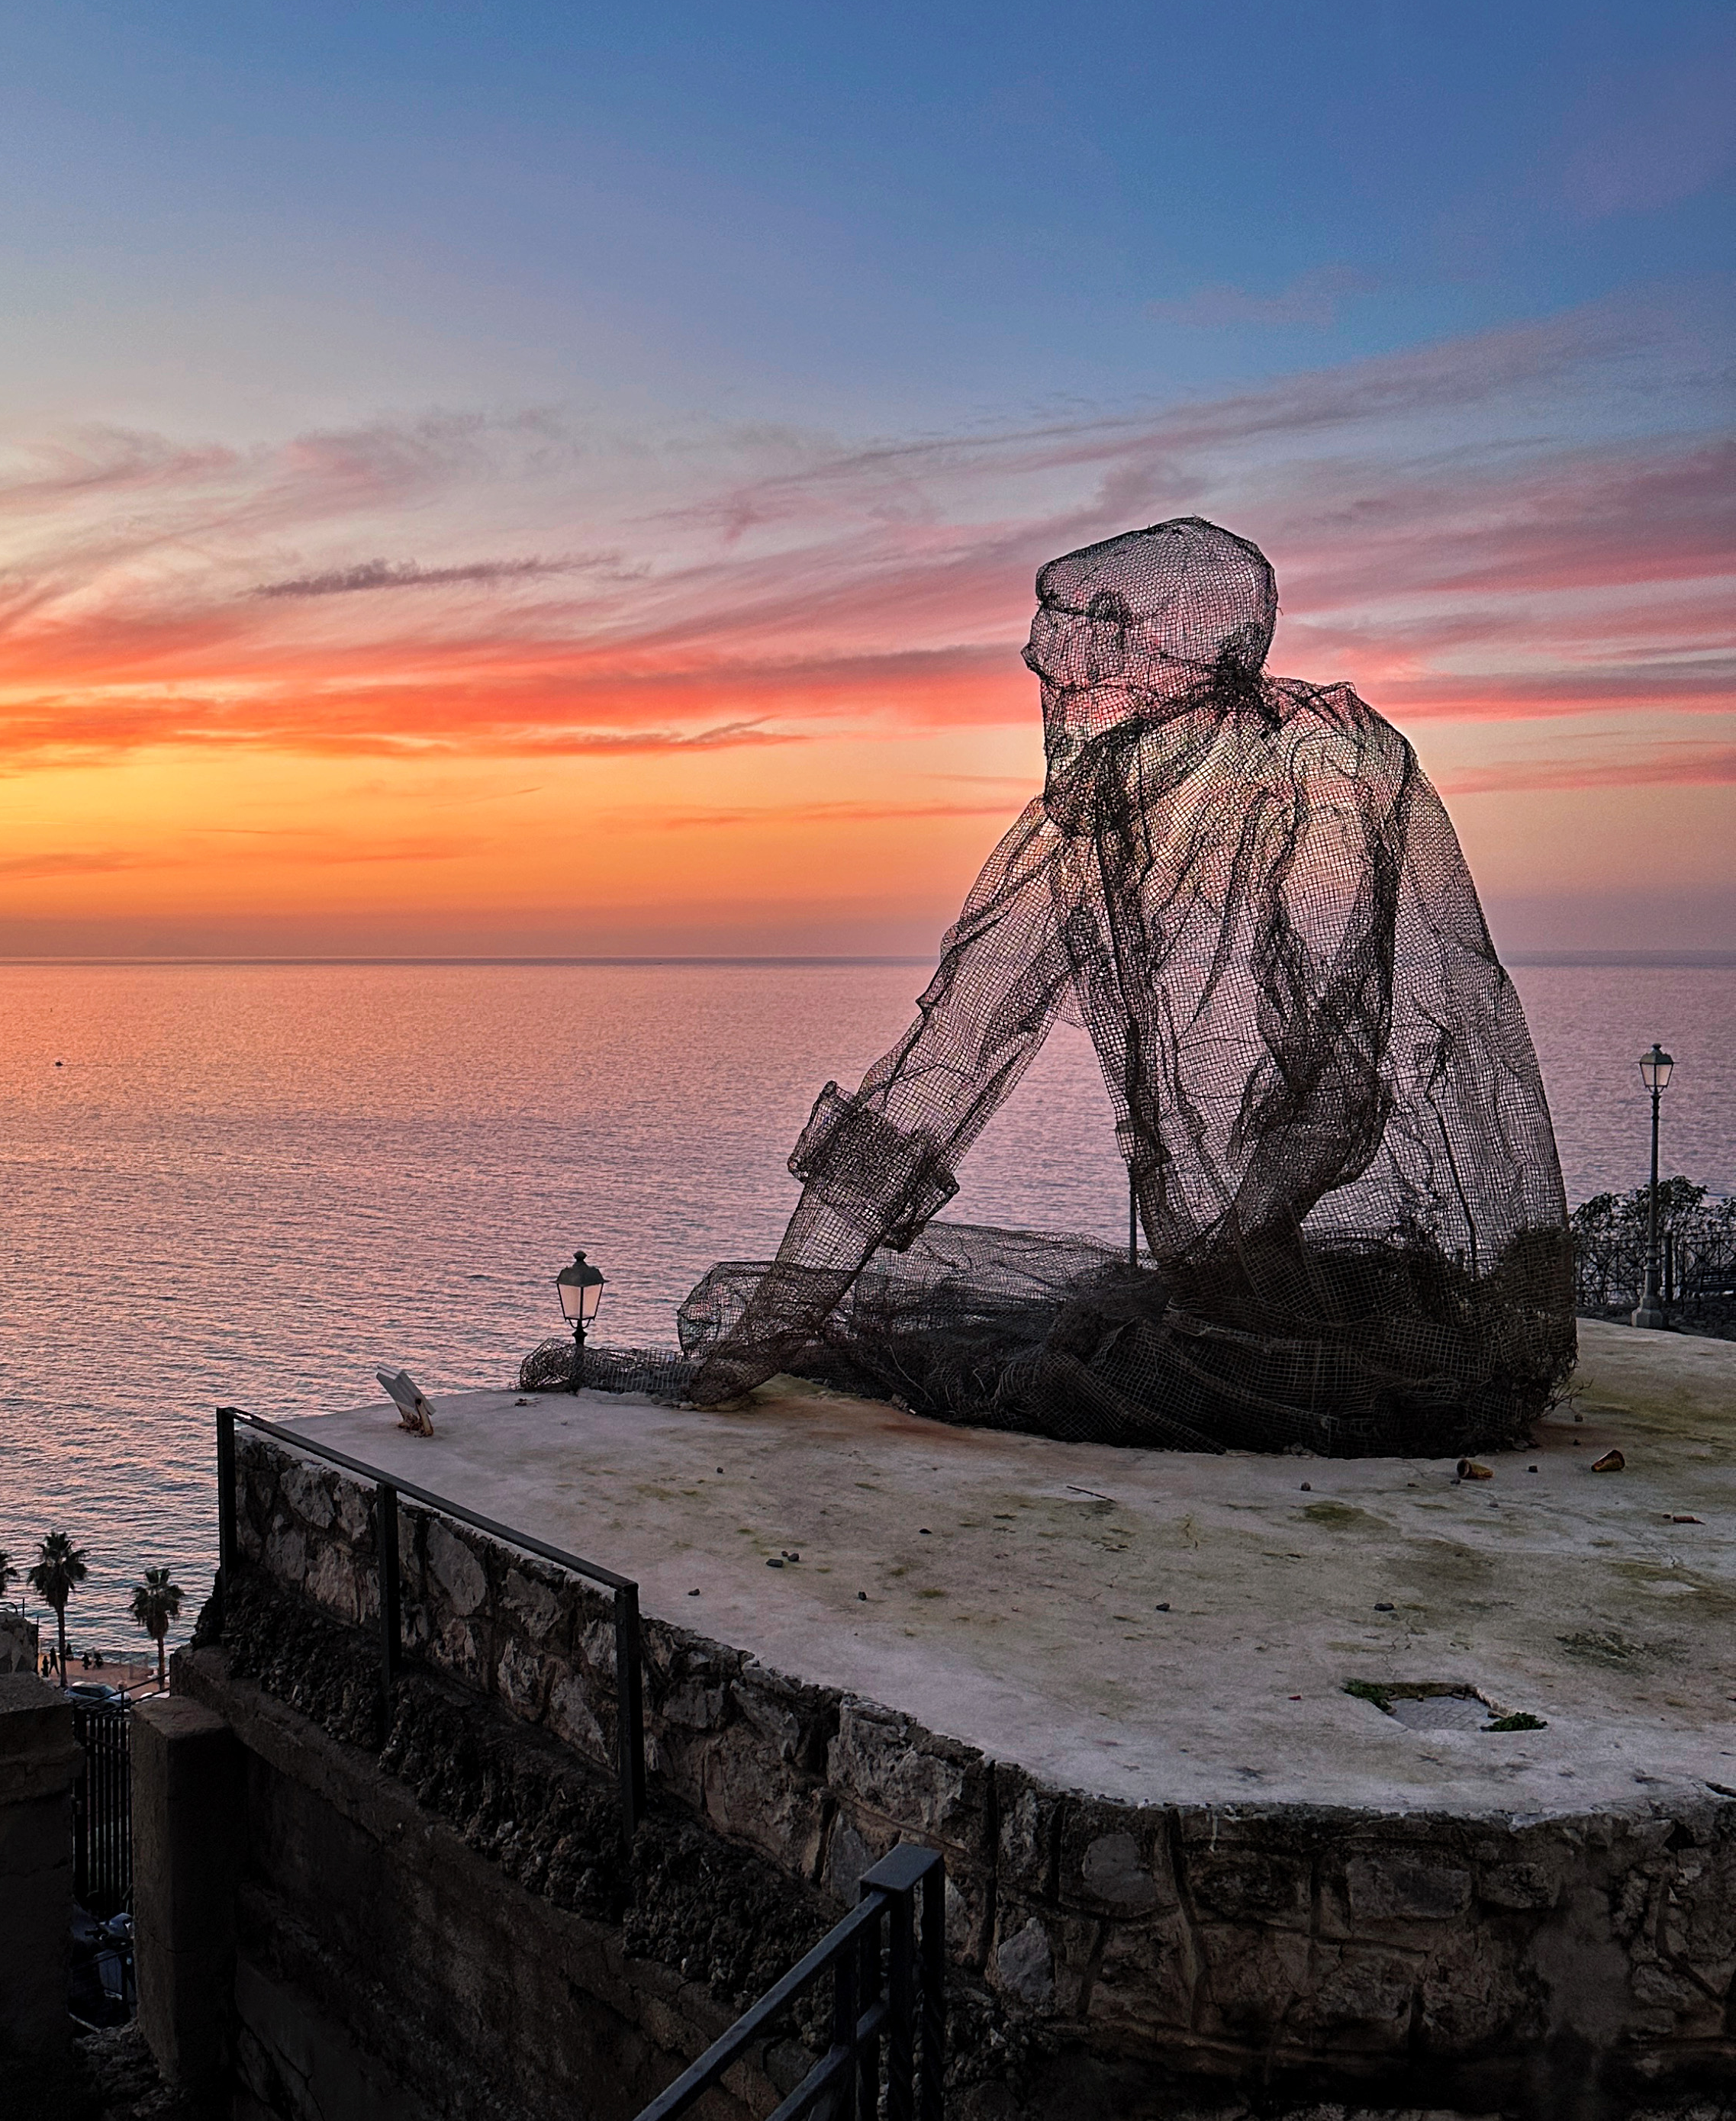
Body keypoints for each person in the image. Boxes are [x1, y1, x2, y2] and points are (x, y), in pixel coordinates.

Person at [523, 517, 1573, 1455]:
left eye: (1068, 665)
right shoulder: (1081, 825)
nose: (1054, 694)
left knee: (1076, 1361)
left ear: (1134, 642)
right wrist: (759, 1337)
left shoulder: (1325, 775)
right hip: (1239, 1293)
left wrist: (1227, 1256)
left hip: (1354, 1328)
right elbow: (948, 1056)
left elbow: (1341, 1094)